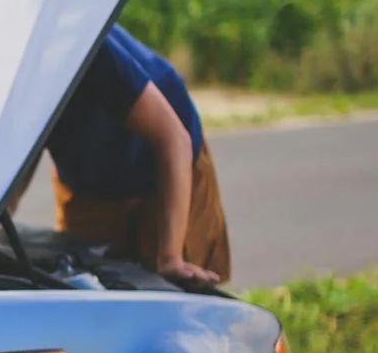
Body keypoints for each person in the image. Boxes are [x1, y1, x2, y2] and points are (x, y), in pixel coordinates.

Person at [12, 25, 231, 288]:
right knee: (85, 285)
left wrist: (170, 256)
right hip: (88, 181)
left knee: (172, 288)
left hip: (167, 166)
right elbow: (21, 153)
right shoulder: (5, 74)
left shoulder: (86, 48)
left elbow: (173, 139)